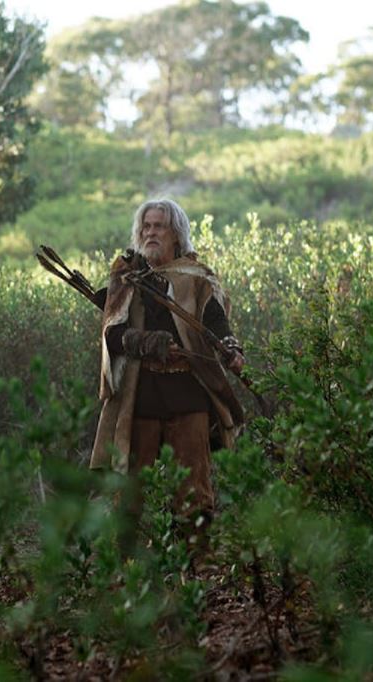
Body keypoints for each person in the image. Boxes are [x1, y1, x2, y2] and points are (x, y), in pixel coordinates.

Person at [90, 198, 246, 551]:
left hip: (188, 397)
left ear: (176, 232)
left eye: (158, 226)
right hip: (140, 398)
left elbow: (216, 323)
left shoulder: (197, 277)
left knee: (194, 492)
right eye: (146, 226)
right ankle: (128, 563)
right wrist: (147, 342)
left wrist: (231, 349)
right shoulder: (127, 277)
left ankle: (196, 562)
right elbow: (113, 334)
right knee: (130, 493)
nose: (151, 233)